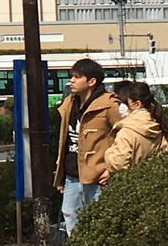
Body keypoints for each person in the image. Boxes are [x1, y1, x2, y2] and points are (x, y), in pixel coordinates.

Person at [53, 58, 123, 236]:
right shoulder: (69, 103)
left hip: (98, 176)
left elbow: (125, 138)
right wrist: (60, 175)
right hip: (71, 176)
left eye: (77, 77)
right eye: (71, 77)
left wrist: (112, 168)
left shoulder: (109, 104)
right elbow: (64, 141)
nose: (72, 81)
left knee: (101, 222)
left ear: (92, 81)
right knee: (70, 218)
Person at [100, 81, 168, 182]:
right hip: (154, 182)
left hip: (131, 184)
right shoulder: (158, 125)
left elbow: (118, 164)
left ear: (137, 104)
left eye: (125, 103)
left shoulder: (127, 131)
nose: (121, 107)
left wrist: (108, 153)